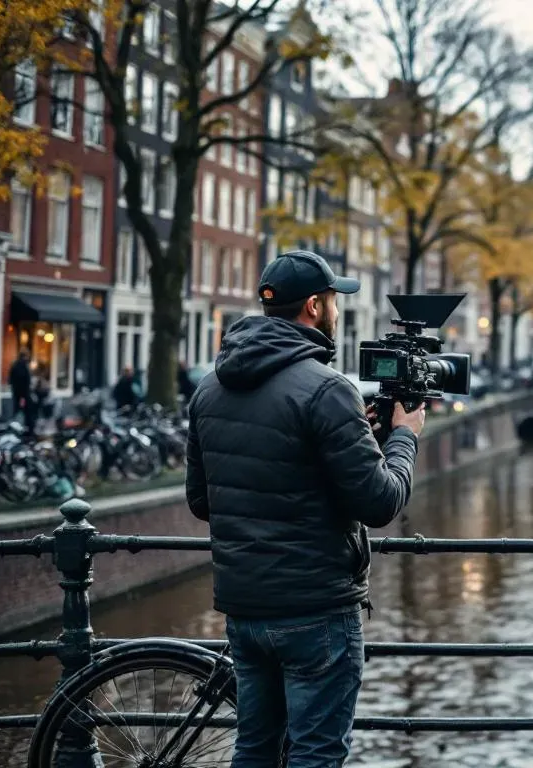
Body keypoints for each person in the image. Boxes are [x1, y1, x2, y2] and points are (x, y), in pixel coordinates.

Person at [185, 250, 426, 767]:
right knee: (315, 754)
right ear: (315, 307)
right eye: (335, 301)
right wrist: (403, 437)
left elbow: (202, 501)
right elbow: (381, 502)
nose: (337, 311)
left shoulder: (209, 388)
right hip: (315, 609)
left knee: (254, 748)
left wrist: (344, 438)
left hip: (244, 608)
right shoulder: (327, 389)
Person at [9, 349, 33, 433]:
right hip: (22, 395)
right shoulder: (22, 366)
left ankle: (17, 429)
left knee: (18, 412)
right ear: (24, 356)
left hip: (17, 394)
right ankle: (26, 431)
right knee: (25, 413)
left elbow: (11, 380)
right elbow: (23, 382)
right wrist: (23, 396)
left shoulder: (15, 365)